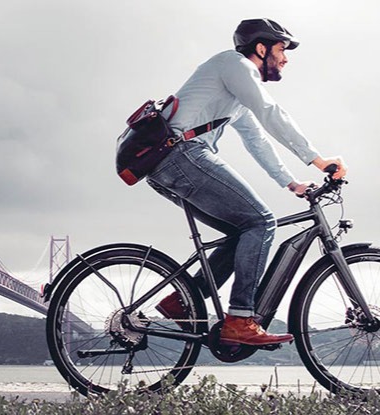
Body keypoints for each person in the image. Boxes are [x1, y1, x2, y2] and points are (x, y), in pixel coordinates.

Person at [148, 18, 346, 346]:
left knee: (243, 230)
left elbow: (258, 140)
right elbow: (271, 112)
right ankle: (240, 319)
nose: (285, 59)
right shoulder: (235, 64)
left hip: (169, 162)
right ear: (260, 47)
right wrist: (319, 159)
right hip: (181, 154)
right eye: (282, 49)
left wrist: (292, 183)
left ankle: (184, 299)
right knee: (262, 222)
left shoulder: (234, 92)